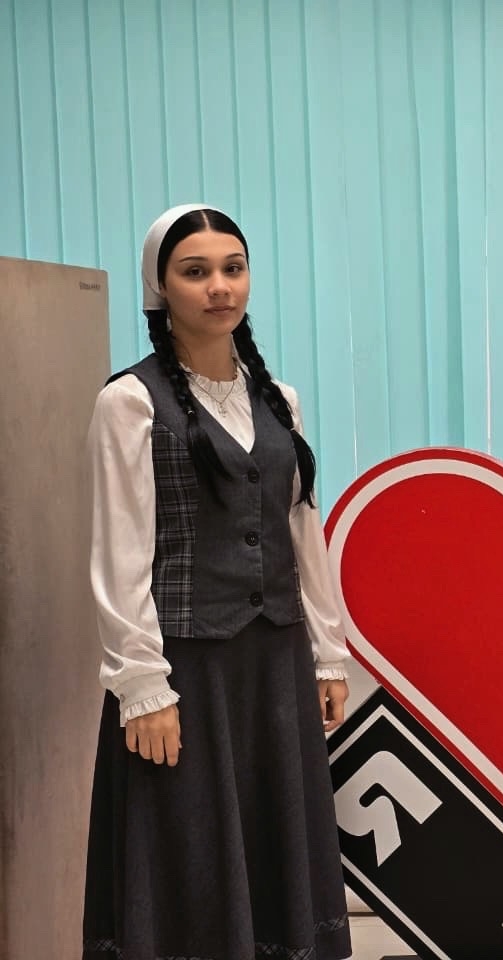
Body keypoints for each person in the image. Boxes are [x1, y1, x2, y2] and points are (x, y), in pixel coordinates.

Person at [82, 204, 354, 960]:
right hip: (186, 670)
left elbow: (301, 529)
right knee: (189, 856)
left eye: (233, 268)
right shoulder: (129, 402)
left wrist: (328, 654)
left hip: (275, 662)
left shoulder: (280, 399)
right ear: (160, 288)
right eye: (195, 272)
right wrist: (143, 685)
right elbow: (120, 552)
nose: (219, 287)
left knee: (276, 851)